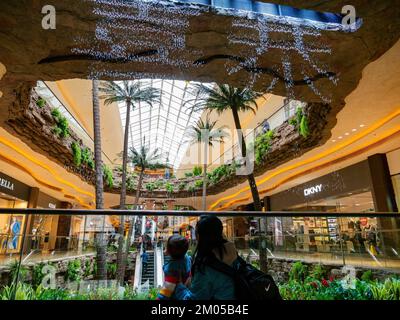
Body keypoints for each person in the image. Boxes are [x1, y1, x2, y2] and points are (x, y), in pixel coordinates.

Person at [174, 215, 238, 300]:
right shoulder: (233, 253)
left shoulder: (205, 268)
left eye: (196, 233)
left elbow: (192, 299)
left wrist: (179, 285)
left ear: (200, 236)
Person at [157, 235, 191, 300]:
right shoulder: (187, 259)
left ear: (169, 251)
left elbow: (167, 291)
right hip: (184, 291)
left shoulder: (171, 269)